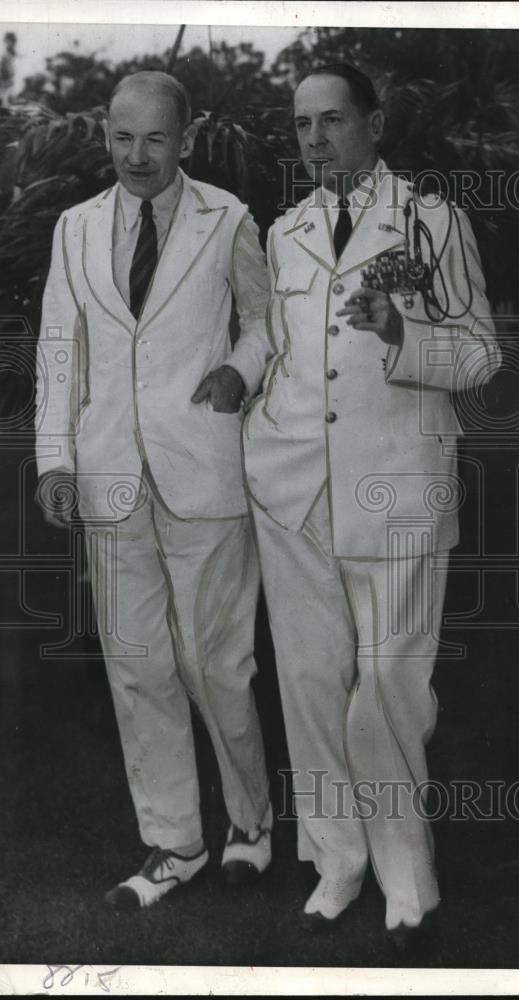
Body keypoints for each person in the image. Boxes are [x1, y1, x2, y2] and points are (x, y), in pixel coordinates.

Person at [241, 63, 502, 947]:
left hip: (397, 486)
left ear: (376, 124)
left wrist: (404, 335)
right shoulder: (285, 233)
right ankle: (339, 858)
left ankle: (407, 876)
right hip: (294, 492)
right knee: (311, 684)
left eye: (333, 121)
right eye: (301, 126)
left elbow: (479, 357)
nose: (316, 141)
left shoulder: (434, 222)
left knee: (390, 686)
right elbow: (276, 352)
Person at [34, 71, 273, 910]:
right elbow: (60, 349)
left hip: (204, 472)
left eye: (157, 139)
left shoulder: (229, 219)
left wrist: (238, 371)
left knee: (216, 665)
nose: (138, 157)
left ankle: (252, 823)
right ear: (106, 135)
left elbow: (263, 321)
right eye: (123, 137)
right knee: (137, 669)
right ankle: (174, 843)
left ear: (189, 138)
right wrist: (55, 459)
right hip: (109, 479)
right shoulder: (76, 228)